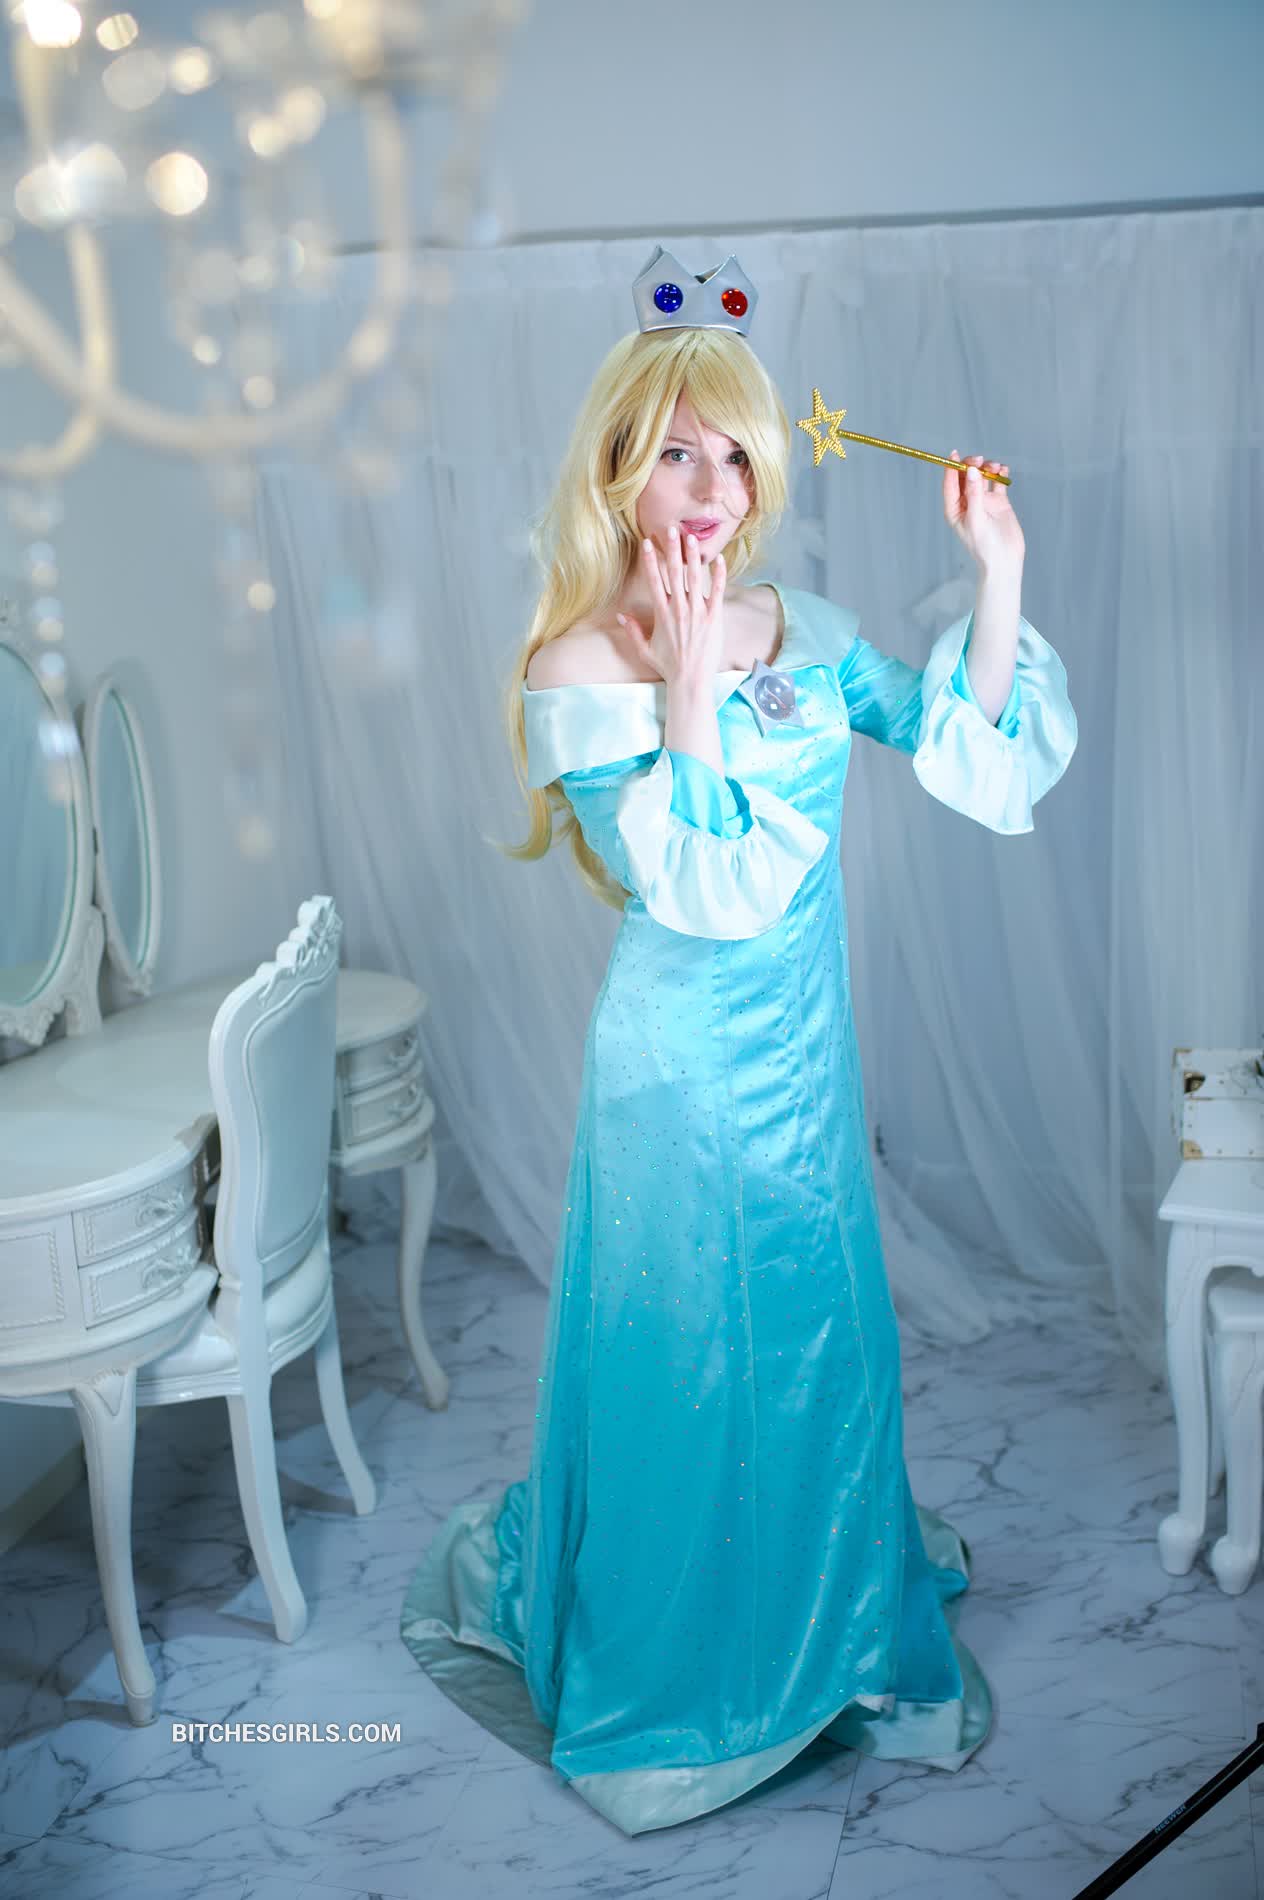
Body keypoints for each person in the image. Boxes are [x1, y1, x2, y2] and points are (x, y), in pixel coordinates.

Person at [400, 247, 1078, 1835]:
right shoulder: (579, 665)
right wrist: (691, 690)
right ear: (616, 472)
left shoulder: (809, 626)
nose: (709, 489)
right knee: (691, 1360)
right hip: (678, 1078)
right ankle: (691, 1676)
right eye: (673, 454)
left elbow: (967, 748)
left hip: (805, 1063)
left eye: (734, 454)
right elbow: (688, 888)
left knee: (821, 1337)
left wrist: (997, 572)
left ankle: (827, 1627)